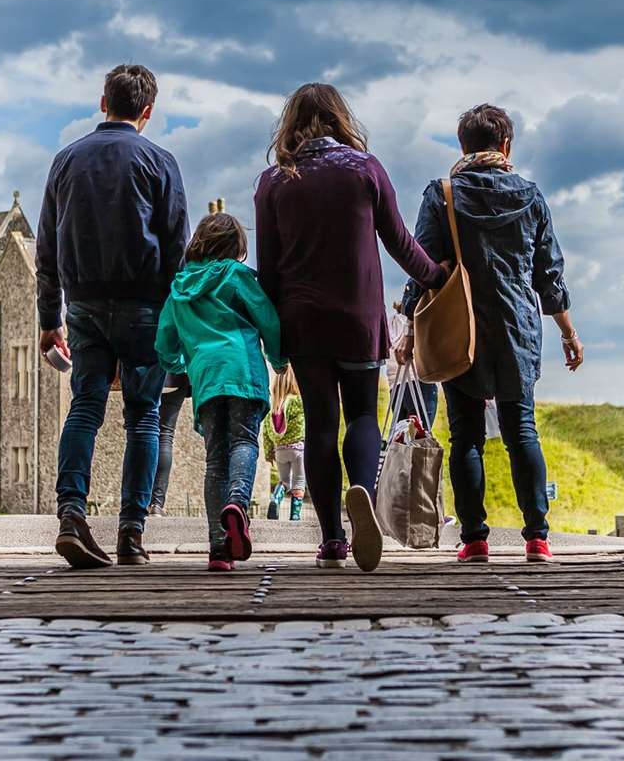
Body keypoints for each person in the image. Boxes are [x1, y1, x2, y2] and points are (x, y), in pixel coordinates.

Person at [255, 83, 450, 571]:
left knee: (321, 421)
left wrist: (274, 333)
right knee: (362, 415)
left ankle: (331, 540)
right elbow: (401, 242)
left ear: (291, 124)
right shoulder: (365, 169)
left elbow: (269, 267)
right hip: (358, 315)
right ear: (341, 119)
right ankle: (361, 487)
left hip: (302, 319)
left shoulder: (275, 180)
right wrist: (437, 278)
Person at [401, 104, 582, 566]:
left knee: (465, 437)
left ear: (462, 146)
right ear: (507, 146)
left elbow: (423, 266)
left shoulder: (441, 194)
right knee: (523, 430)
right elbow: (548, 273)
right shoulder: (531, 196)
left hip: (459, 328)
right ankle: (537, 538)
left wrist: (407, 328)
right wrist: (567, 332)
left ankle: (475, 539)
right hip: (517, 330)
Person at [37, 64, 189, 569]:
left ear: (103, 102)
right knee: (144, 418)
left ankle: (71, 514)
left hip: (81, 304)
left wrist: (48, 318)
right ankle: (131, 533)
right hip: (145, 306)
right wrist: (175, 323)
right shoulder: (160, 162)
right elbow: (176, 254)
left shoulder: (64, 162)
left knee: (85, 408)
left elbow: (47, 249)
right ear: (147, 111)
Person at [155, 213, 286, 571]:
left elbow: (164, 341)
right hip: (243, 371)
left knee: (215, 459)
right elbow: (268, 318)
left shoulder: (180, 287)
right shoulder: (237, 275)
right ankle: (237, 504)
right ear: (236, 246)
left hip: (207, 379)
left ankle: (218, 549)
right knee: (244, 442)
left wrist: (183, 364)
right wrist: (278, 358)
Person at [264, 378, 306, 521]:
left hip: (280, 450)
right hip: (298, 449)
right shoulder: (299, 401)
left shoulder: (273, 407)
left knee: (284, 481)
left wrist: (269, 453)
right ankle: (295, 515)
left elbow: (265, 432)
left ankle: (276, 499)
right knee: (299, 482)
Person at [149, 373, 190, 516]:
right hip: (176, 374)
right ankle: (157, 503)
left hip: (145, 371)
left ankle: (139, 500)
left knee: (141, 432)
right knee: (165, 435)